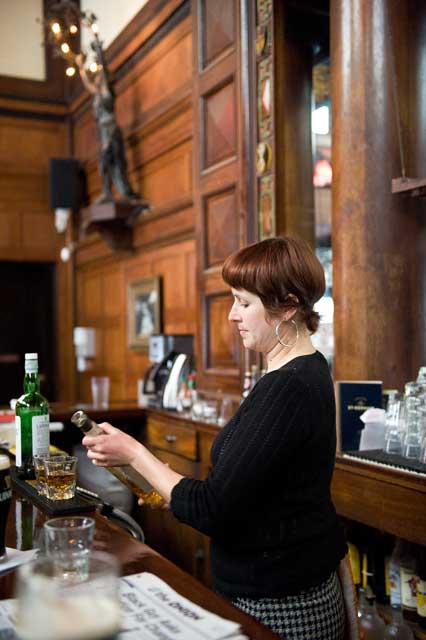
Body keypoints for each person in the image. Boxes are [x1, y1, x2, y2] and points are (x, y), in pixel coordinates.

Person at [82, 236, 347, 640]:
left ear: (289, 306)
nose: (232, 316)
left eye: (244, 302)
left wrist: (134, 453)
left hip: (280, 604)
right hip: (284, 588)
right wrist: (161, 476)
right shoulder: (304, 371)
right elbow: (250, 493)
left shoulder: (287, 388)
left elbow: (212, 508)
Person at [76, 43, 138, 203]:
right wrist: (80, 67)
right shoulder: (97, 94)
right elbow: (88, 84)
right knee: (103, 165)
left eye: (99, 77)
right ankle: (106, 192)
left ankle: (122, 191)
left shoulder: (107, 95)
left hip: (111, 131)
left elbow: (103, 72)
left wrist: (99, 52)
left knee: (112, 162)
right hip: (103, 133)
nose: (96, 78)